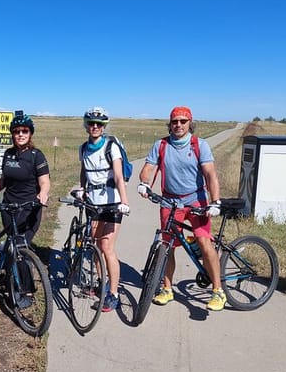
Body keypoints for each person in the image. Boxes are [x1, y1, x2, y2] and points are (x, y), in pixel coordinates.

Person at [137, 106, 226, 311]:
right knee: (167, 247)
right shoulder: (161, 145)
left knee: (205, 243)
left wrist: (215, 202)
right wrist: (144, 183)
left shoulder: (199, 145)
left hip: (196, 201)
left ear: (189, 123)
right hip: (170, 202)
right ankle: (167, 289)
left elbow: (210, 174)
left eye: (183, 121)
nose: (178, 125)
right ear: (170, 124)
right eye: (175, 121)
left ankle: (218, 291)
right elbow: (148, 168)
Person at [76, 107, 130, 312]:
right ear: (86, 125)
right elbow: (84, 171)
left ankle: (113, 294)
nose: (95, 127)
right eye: (91, 123)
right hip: (93, 202)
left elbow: (117, 176)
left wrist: (124, 202)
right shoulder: (83, 148)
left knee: (107, 248)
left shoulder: (110, 146)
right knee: (95, 246)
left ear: (104, 126)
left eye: (99, 124)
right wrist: (81, 188)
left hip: (113, 202)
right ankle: (102, 283)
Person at [0, 110, 50, 245]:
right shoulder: (8, 153)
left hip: (29, 208)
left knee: (22, 245)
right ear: (12, 134)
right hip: (8, 207)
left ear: (30, 133)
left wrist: (43, 193)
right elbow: (3, 181)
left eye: (25, 131)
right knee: (12, 243)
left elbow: (44, 181)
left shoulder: (36, 155)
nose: (20, 134)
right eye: (16, 131)